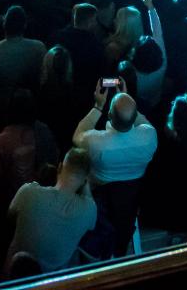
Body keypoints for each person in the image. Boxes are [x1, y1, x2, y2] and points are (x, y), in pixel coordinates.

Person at [73, 82, 157, 257]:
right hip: (132, 190)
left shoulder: (96, 142)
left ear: (109, 115)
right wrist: (128, 102)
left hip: (100, 189)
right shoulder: (149, 137)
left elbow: (77, 136)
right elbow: (143, 122)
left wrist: (98, 106)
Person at [6, 146, 97, 274]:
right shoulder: (90, 209)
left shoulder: (28, 192)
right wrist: (85, 185)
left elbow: (10, 216)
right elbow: (91, 226)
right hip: (53, 281)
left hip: (14, 274)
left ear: (59, 168)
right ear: (85, 181)